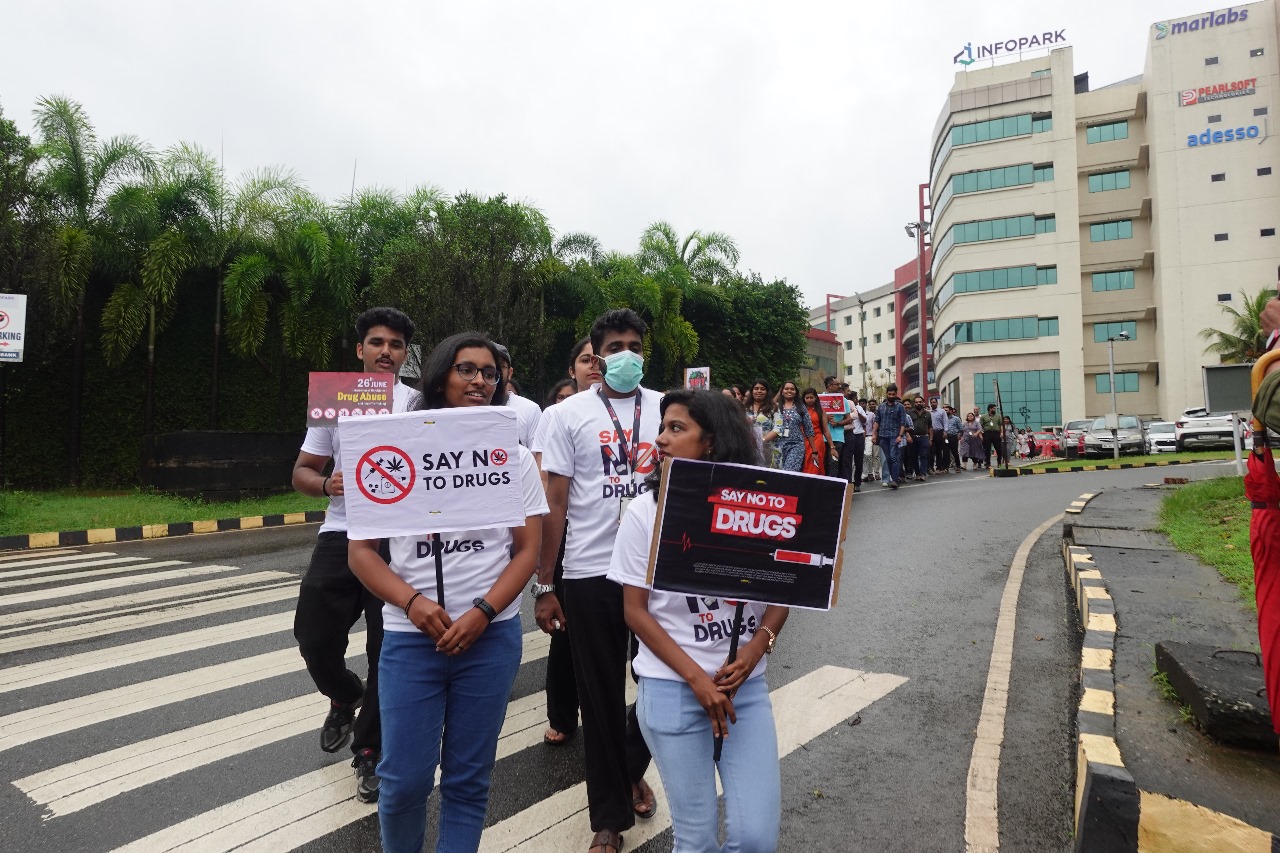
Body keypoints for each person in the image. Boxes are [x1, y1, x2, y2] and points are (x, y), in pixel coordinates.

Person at [348, 332, 547, 853]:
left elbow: (527, 550)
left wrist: (484, 612)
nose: (480, 380)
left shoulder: (514, 458)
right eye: (466, 369)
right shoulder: (388, 449)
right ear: (439, 378)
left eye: (489, 372)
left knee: (467, 779)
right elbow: (361, 553)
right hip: (411, 640)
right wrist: (411, 603)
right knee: (402, 783)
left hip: (490, 639)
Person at [608, 390, 787, 853]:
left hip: (744, 693)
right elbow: (634, 611)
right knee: (697, 841)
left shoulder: (759, 508)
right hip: (672, 692)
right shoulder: (644, 513)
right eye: (661, 428)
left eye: (676, 428)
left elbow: (783, 593)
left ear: (711, 441)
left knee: (756, 838)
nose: (661, 439)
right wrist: (696, 680)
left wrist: (756, 648)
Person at [535, 309, 659, 853]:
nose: (625, 354)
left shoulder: (668, 408)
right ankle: (608, 819)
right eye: (615, 346)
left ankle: (630, 765)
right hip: (589, 571)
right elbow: (555, 502)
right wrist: (546, 584)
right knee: (599, 695)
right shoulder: (566, 415)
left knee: (661, 686)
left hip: (657, 572)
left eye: (635, 345)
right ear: (597, 355)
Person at [291, 306, 417, 804]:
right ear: (360, 349)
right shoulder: (335, 399)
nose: (387, 351)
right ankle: (344, 693)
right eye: (377, 342)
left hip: (399, 539)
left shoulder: (419, 402)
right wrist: (327, 484)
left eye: (396, 344)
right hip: (342, 532)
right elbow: (303, 470)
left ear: (405, 354)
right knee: (313, 634)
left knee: (388, 648)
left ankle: (371, 752)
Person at [539, 376, 580, 746]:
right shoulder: (556, 417)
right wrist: (544, 581)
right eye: (586, 359)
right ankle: (563, 716)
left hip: (626, 539)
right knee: (566, 635)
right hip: (570, 536)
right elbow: (548, 485)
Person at [493, 343, 542, 447]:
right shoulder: (465, 407)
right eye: (488, 366)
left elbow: (537, 454)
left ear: (510, 373)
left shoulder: (530, 410)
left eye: (500, 366)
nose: (494, 371)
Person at [872, 384, 909, 489]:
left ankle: (895, 480)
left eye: (893, 394)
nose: (891, 396)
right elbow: (877, 421)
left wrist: (900, 435)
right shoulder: (881, 406)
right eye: (889, 394)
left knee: (893, 457)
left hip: (894, 436)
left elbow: (903, 423)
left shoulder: (900, 407)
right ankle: (893, 478)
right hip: (883, 436)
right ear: (886, 394)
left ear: (896, 394)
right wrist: (874, 434)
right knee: (887, 458)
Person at [772, 381, 814, 472]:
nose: (789, 391)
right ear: (782, 392)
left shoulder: (801, 407)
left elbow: (809, 429)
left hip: (796, 445)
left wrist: (814, 451)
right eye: (786, 389)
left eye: (792, 389)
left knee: (789, 472)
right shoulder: (776, 407)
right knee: (778, 472)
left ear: (796, 392)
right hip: (778, 445)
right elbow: (768, 406)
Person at [800, 387, 835, 475]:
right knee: (804, 465)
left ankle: (814, 482)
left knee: (815, 466)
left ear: (816, 398)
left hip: (817, 441)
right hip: (803, 441)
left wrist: (832, 447)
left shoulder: (821, 411)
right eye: (807, 398)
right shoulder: (799, 410)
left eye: (811, 397)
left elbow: (826, 431)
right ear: (803, 399)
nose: (809, 400)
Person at [746, 379, 779, 468]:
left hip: (769, 450)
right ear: (752, 391)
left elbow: (778, 428)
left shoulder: (774, 408)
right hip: (748, 448)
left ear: (767, 392)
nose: (759, 391)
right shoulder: (744, 407)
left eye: (762, 389)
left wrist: (761, 441)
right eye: (756, 388)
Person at [907, 396, 931, 481]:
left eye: (920, 402)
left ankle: (923, 474)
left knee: (924, 456)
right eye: (916, 402)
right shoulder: (909, 413)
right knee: (914, 456)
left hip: (924, 437)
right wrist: (908, 435)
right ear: (914, 403)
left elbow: (930, 427)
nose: (918, 403)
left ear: (923, 402)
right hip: (913, 437)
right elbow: (906, 425)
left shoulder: (928, 413)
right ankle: (917, 474)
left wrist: (931, 439)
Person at [863, 398, 880, 483]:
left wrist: (875, 436)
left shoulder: (879, 413)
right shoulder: (866, 414)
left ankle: (877, 473)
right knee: (867, 455)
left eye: (873, 404)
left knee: (876, 456)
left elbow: (876, 426)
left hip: (877, 436)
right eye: (870, 404)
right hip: (867, 437)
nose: (871, 405)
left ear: (876, 405)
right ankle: (869, 473)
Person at [929, 398, 948, 474]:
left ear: (937, 403)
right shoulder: (928, 412)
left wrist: (945, 431)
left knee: (939, 451)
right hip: (931, 433)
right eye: (931, 402)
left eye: (934, 402)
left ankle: (939, 467)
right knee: (931, 450)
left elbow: (945, 421)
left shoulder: (942, 411)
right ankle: (930, 467)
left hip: (939, 432)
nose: (933, 403)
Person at [945, 406, 963, 471]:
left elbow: (961, 428)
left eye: (946, 410)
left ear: (951, 411)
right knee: (946, 452)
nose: (945, 412)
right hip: (946, 437)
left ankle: (958, 465)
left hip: (953, 436)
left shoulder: (956, 418)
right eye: (944, 410)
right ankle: (946, 466)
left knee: (954, 452)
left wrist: (959, 435)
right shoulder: (943, 418)